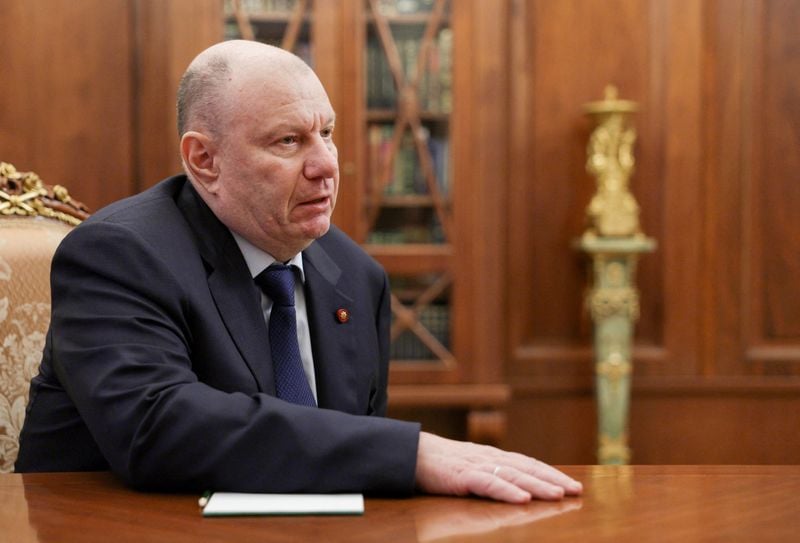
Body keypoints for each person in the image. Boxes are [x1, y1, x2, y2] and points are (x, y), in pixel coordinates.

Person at [16, 40, 581, 504]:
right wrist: (409, 453)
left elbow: (340, 465)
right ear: (204, 160)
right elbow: (158, 425)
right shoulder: (119, 255)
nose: (327, 165)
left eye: (327, 133)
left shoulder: (355, 276)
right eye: (288, 141)